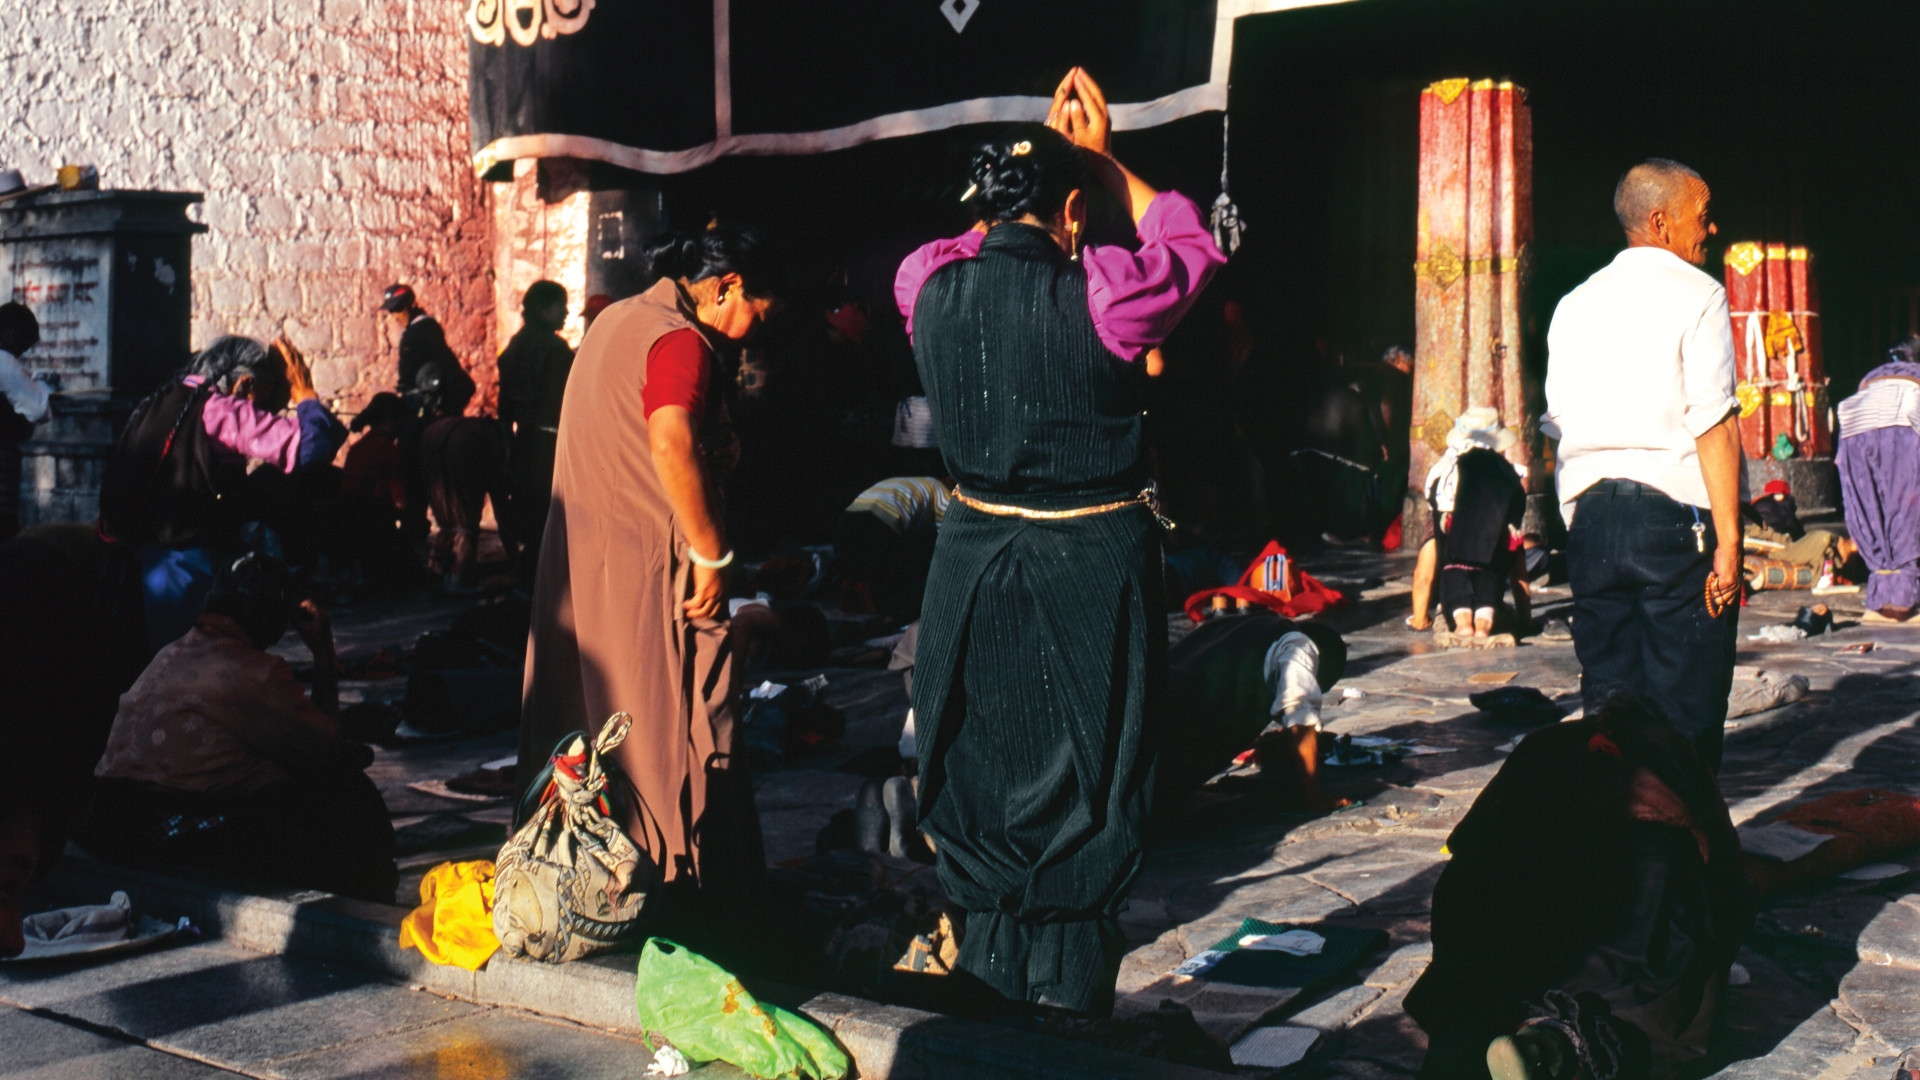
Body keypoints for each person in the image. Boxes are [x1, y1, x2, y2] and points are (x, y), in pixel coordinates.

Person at [895, 68, 1224, 1015]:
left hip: (970, 561)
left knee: (979, 761)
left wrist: (1031, 167)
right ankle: (1065, 1014)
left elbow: (960, 247)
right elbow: (1190, 241)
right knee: (1094, 772)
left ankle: (988, 1007)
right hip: (1088, 562)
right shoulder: (1108, 295)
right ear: (1075, 210)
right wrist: (1102, 161)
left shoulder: (926, 283)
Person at [519, 223, 783, 901]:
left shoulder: (613, 324)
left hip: (583, 568)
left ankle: (585, 879)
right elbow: (669, 440)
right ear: (726, 288)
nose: (755, 329)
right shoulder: (678, 340)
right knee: (680, 730)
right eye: (758, 309)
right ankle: (687, 896)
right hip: (647, 569)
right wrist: (709, 550)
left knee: (586, 722)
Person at [1404, 696, 1753, 1080]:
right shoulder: (1678, 755)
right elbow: (1725, 879)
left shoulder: (1547, 743)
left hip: (1510, 894)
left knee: (1487, 969)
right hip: (1635, 888)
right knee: (1649, 988)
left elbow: (1466, 841)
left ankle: (1482, 1036)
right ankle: (1555, 1045)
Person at [1540, 159, 1742, 769]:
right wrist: (1731, 543)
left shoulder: (1572, 305)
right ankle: (1685, 855)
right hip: (1672, 524)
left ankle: (1617, 851)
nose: (1710, 230)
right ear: (1660, 222)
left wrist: (1577, 518)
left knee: (1608, 710)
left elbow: (1557, 429)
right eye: (1701, 218)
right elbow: (1715, 424)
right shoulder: (1700, 295)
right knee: (1686, 711)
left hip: (1593, 522)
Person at [79, 554, 397, 903]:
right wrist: (323, 650)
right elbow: (326, 747)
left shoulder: (171, 653)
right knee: (345, 790)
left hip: (111, 824)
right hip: (177, 833)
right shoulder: (255, 672)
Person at [98, 335, 347, 653]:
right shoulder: (220, 411)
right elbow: (313, 448)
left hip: (137, 559)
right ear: (244, 384)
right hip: (182, 564)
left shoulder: (161, 401)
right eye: (263, 402)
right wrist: (306, 394)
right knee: (187, 667)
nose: (261, 414)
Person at [1161, 611, 1347, 813]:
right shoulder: (1301, 647)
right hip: (1174, 728)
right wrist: (1313, 798)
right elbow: (1301, 715)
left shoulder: (1254, 622)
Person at [1424, 409, 1529, 645]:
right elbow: (1516, 512)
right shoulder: (1505, 471)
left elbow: (1435, 501)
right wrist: (1526, 617)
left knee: (1455, 589)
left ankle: (1463, 627)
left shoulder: (1449, 469)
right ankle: (1483, 629)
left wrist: (1420, 617)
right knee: (1488, 593)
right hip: (1491, 558)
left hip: (1455, 556)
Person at [1836, 338, 1920, 622]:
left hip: (1855, 429)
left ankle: (1882, 594)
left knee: (1870, 509)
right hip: (1904, 427)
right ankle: (1904, 599)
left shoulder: (1874, 376)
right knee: (1908, 509)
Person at [496, 280, 574, 571]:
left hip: (523, 439)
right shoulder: (555, 349)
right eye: (560, 307)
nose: (566, 313)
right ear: (543, 309)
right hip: (550, 441)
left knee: (530, 510)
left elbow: (504, 405)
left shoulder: (514, 346)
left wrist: (509, 444)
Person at [416, 364, 510, 592]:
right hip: (462, 521)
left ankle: (446, 569)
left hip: (446, 521)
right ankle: (461, 571)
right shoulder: (476, 431)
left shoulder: (428, 433)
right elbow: (498, 490)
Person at [311, 392, 415, 590]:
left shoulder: (358, 447)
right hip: (369, 521)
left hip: (346, 512)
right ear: (390, 421)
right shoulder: (387, 449)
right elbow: (399, 501)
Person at [834, 476, 949, 621]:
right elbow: (948, 537)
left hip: (847, 519)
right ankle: (886, 614)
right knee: (892, 580)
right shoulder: (943, 491)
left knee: (855, 571)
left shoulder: (915, 483)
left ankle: (853, 603)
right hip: (878, 521)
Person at [0, 302, 52, 540]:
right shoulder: (4, 362)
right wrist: (43, 386)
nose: (22, 354)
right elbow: (36, 409)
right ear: (11, 334)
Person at [381, 283, 473, 407]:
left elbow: (441, 364)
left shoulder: (422, 329)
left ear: (411, 303)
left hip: (431, 400)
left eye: (398, 309)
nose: (395, 317)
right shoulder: (414, 329)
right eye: (391, 311)